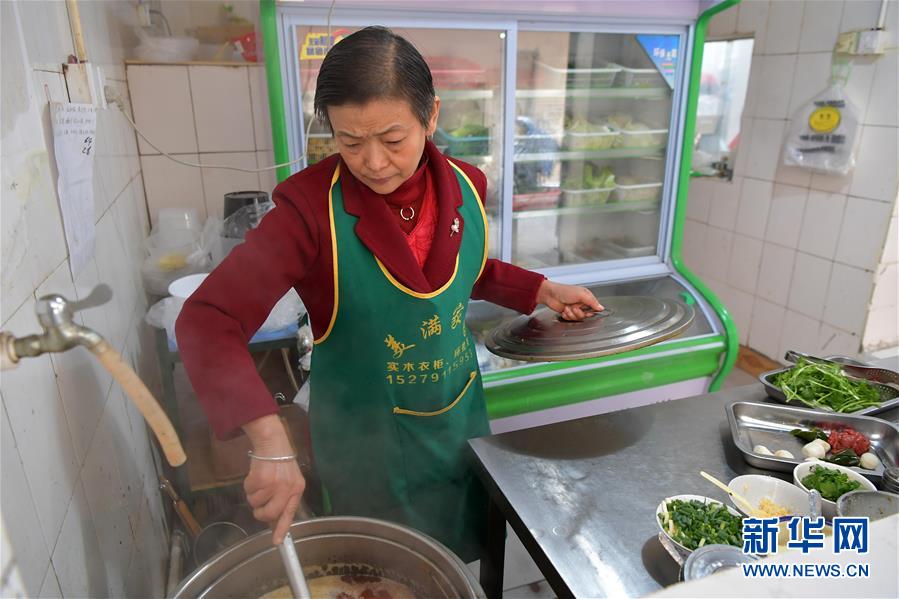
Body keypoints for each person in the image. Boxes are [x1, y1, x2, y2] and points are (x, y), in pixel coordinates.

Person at [176, 26, 602, 562]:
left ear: (432, 116)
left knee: (463, 563)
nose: (373, 162)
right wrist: (268, 437)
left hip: (457, 425)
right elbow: (208, 318)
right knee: (381, 576)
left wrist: (541, 288)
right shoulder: (309, 211)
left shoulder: (467, 185)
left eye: (392, 139)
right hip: (366, 452)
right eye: (349, 142)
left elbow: (459, 273)